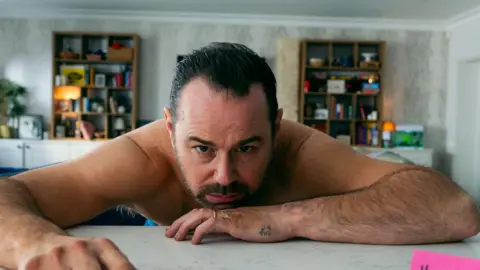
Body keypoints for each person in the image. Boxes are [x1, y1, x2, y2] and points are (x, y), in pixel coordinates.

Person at [0, 42, 478, 270]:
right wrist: (34, 244)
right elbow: (11, 192)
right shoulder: (140, 158)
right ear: (171, 129)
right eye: (201, 148)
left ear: (276, 127)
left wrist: (283, 218)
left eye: (248, 148)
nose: (224, 176)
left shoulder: (303, 151)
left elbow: (453, 209)